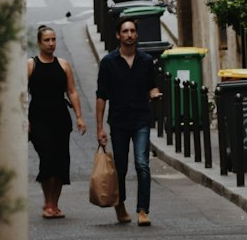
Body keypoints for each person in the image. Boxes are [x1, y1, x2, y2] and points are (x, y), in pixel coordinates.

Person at [95, 15, 162, 226]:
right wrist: (100, 128)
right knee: (121, 167)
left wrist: (155, 94)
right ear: (118, 35)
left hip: (141, 118)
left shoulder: (146, 61)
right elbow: (101, 96)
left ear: (137, 34)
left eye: (132, 31)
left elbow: (151, 85)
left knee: (142, 164)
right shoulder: (108, 63)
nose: (129, 35)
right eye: (125, 31)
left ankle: (143, 210)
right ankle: (120, 205)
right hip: (119, 121)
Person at [28, 25, 86, 218]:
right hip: (38, 119)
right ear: (39, 42)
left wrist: (79, 117)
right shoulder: (31, 65)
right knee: (48, 157)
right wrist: (23, 120)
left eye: (53, 39)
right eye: (47, 40)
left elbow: (72, 91)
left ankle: (55, 203)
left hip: (60, 118)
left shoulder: (63, 65)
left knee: (61, 161)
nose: (51, 43)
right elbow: (19, 94)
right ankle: (48, 201)